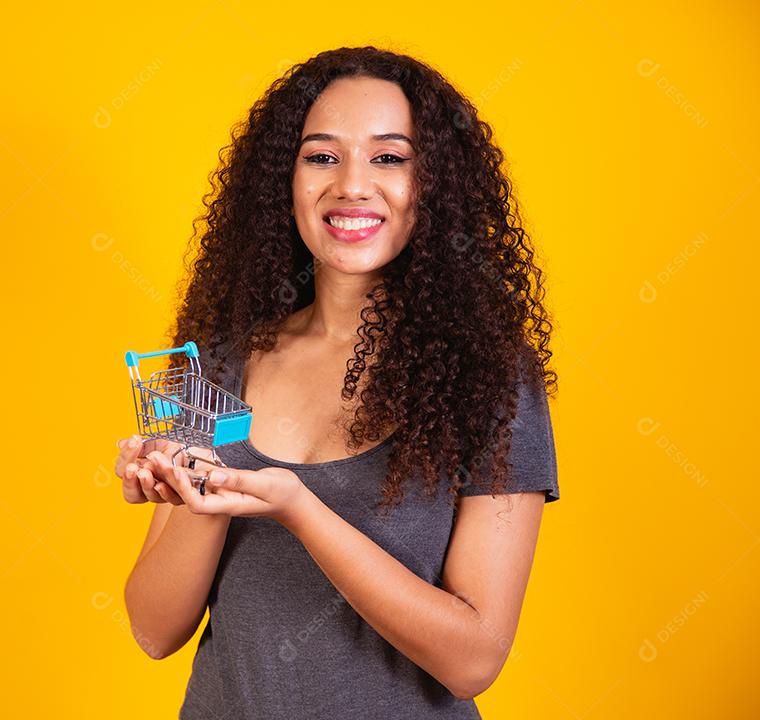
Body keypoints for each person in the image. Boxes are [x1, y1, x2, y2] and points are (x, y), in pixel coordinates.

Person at [116, 45, 560, 719]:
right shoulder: (205, 369)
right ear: (284, 181)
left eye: (390, 157)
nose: (351, 184)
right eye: (322, 155)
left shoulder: (492, 381)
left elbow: (473, 660)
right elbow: (154, 630)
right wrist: (199, 498)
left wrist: (300, 510)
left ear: (434, 186)